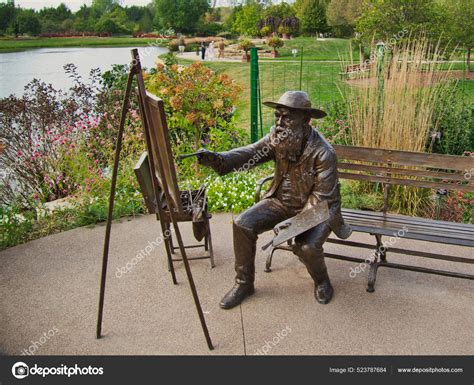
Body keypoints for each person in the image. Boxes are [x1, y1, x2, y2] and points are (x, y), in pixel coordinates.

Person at [197, 91, 352, 309]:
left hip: (320, 210)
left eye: (287, 117)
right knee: (242, 224)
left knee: (306, 246)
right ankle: (243, 284)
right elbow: (249, 153)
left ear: (305, 120)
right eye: (278, 116)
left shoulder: (324, 153)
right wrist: (218, 159)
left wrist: (292, 226)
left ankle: (322, 280)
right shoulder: (277, 138)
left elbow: (321, 199)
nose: (279, 122)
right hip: (281, 202)